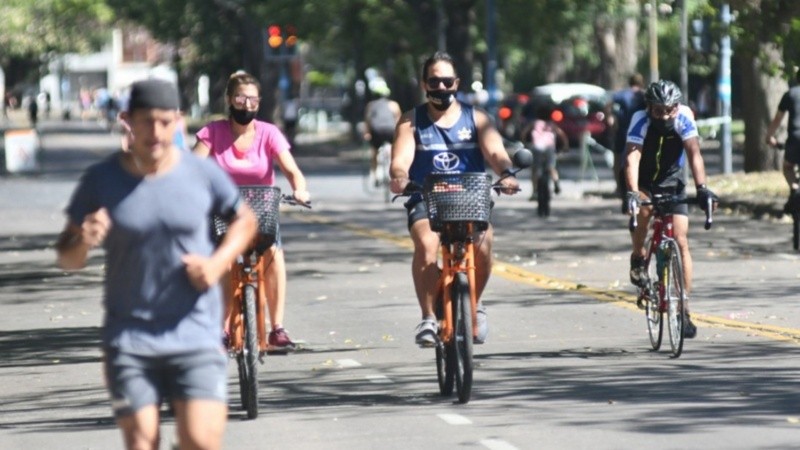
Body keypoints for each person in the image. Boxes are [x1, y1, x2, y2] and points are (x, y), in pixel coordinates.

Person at [55, 78, 258, 450]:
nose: (156, 131)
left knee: (200, 440)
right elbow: (67, 258)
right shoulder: (101, 180)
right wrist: (83, 238)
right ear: (128, 120)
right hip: (130, 339)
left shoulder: (202, 174)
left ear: (178, 121)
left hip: (196, 334)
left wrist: (216, 265)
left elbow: (245, 220)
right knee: (142, 442)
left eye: (166, 121)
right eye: (146, 121)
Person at [389, 51, 520, 346]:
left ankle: (473, 304)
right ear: (424, 84)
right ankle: (428, 318)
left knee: (483, 245)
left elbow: (497, 154)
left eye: (447, 81)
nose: (441, 88)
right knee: (426, 245)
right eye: (434, 81)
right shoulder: (411, 121)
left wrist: (507, 174)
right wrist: (399, 177)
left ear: (457, 83)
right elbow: (400, 161)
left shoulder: (478, 119)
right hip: (426, 197)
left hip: (470, 197)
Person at [193, 71, 310, 354]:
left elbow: (292, 171)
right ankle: (220, 329)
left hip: (261, 211)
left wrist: (300, 189)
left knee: (273, 253)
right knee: (223, 257)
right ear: (229, 100)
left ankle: (277, 328)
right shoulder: (212, 132)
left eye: (253, 100)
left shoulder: (269, 133)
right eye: (241, 98)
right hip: (223, 213)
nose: (247, 105)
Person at [625, 79, 718, 339]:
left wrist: (702, 188)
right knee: (642, 213)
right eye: (658, 110)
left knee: (681, 240)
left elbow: (694, 153)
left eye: (670, 110)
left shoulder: (684, 116)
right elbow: (632, 157)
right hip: (644, 181)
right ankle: (638, 257)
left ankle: (684, 309)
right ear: (649, 108)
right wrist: (632, 192)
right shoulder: (639, 120)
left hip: (673, 182)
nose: (665, 115)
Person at [606, 73, 646, 203]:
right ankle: (639, 185)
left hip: (623, 130)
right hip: (640, 132)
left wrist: (610, 118)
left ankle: (619, 186)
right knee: (638, 158)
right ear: (641, 83)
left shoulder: (622, 94)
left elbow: (608, 104)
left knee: (618, 158)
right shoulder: (643, 95)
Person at [766, 67, 800, 213]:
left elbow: (778, 119)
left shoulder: (790, 94)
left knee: (787, 167)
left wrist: (769, 137)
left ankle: (794, 189)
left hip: (795, 137)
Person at [520, 104, 568, 200]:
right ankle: (556, 182)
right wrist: (565, 146)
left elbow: (524, 133)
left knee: (535, 170)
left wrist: (524, 143)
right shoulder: (551, 124)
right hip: (549, 147)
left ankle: (534, 192)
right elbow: (562, 135)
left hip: (536, 147)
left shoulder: (534, 123)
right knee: (551, 167)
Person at [364, 81, 402, 183]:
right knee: (394, 150)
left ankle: (375, 174)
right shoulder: (394, 104)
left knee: (375, 151)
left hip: (376, 131)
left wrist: (367, 133)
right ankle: (393, 171)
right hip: (390, 130)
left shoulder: (370, 105)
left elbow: (368, 121)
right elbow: (398, 120)